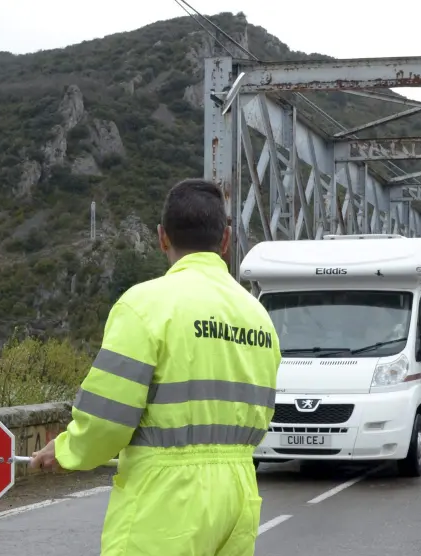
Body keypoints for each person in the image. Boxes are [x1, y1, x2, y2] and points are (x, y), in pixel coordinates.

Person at [30, 178, 281, 556]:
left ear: (162, 237)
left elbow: (107, 417)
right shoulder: (257, 317)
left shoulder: (146, 305)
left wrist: (68, 449)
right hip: (239, 493)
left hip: (167, 497)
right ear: (225, 240)